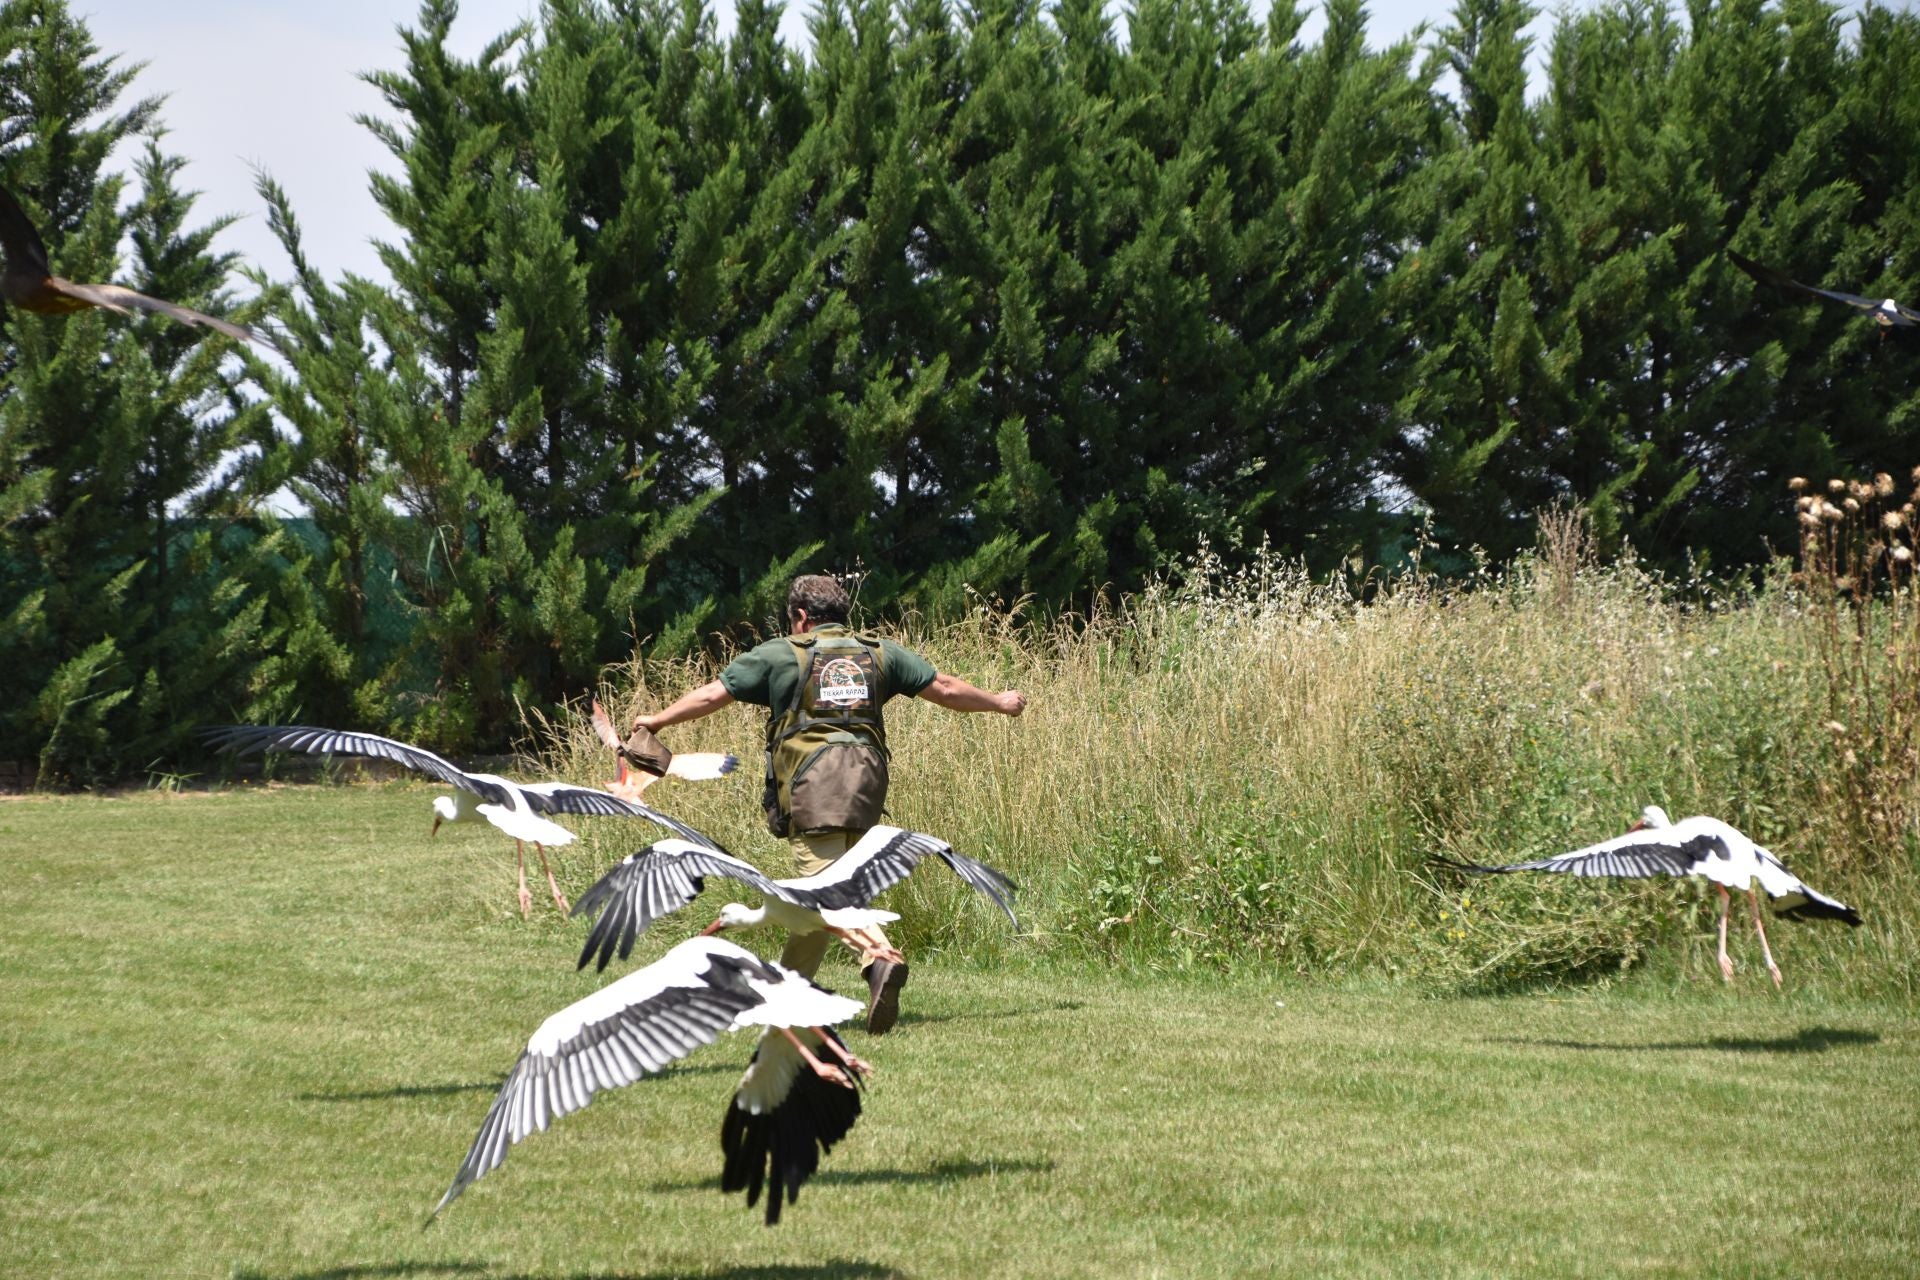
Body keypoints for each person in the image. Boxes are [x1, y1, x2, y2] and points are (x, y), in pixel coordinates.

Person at [631, 573, 1026, 1033]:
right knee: (816, 902)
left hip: (812, 787)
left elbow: (710, 695)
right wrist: (999, 701)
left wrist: (656, 721)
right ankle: (784, 996)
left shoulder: (781, 654)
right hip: (866, 786)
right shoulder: (879, 652)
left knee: (825, 894)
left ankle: (879, 957)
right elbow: (948, 689)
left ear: (800, 618)